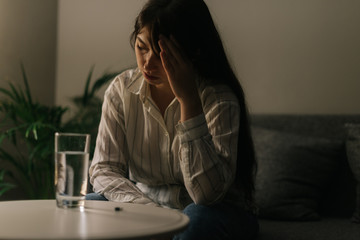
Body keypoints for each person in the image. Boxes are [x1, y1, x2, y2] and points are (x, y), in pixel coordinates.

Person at [88, 0, 259, 239]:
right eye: (141, 47)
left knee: (196, 220)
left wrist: (189, 102)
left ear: (193, 53)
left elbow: (206, 196)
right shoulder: (122, 91)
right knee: (87, 206)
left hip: (215, 210)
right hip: (146, 203)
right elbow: (104, 170)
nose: (147, 62)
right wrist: (149, 211)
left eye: (161, 54)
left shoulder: (218, 98)